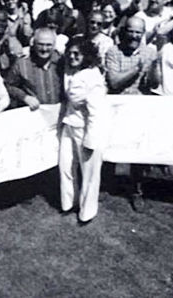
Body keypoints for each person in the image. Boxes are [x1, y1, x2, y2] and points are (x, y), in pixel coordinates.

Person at [104, 17, 158, 212]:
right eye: (131, 31)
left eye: (138, 32)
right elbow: (114, 82)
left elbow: (153, 84)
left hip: (139, 108)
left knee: (137, 151)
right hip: (116, 107)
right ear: (124, 31)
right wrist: (137, 69)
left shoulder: (150, 52)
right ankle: (105, 184)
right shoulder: (113, 51)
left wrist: (153, 68)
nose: (134, 36)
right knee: (109, 147)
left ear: (143, 34)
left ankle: (137, 190)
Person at [58, 38, 109, 224]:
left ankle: (87, 212)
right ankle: (68, 203)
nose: (72, 57)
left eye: (76, 54)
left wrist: (91, 140)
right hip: (69, 126)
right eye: (69, 53)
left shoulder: (93, 77)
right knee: (65, 166)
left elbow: (97, 112)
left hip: (86, 130)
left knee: (89, 173)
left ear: (86, 56)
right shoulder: (69, 71)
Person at [5, 28, 62, 110]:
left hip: (58, 113)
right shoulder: (22, 64)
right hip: (33, 114)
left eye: (48, 45)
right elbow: (8, 85)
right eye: (40, 44)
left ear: (54, 45)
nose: (44, 49)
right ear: (33, 44)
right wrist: (24, 97)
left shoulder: (62, 62)